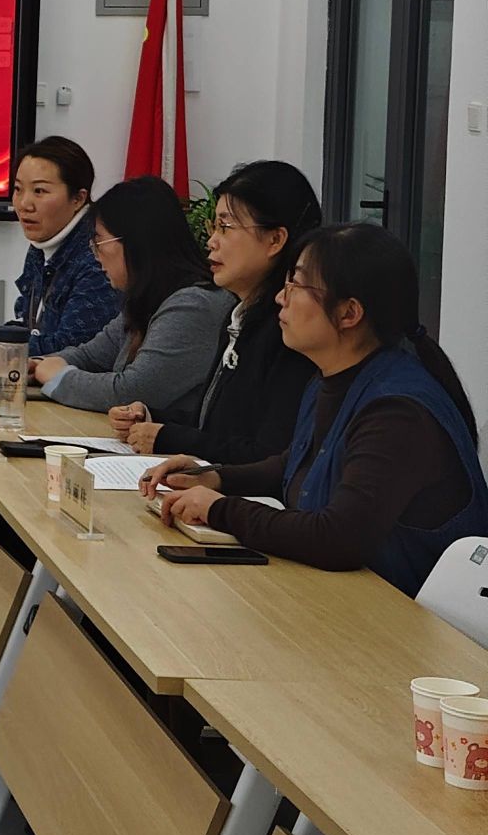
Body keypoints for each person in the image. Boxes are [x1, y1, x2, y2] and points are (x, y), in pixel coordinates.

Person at [142, 224, 487, 596]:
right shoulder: (332, 378)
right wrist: (213, 477)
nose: (280, 297)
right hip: (340, 594)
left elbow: (338, 538)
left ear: (349, 313)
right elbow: (297, 464)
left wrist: (219, 509)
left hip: (401, 615)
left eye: (297, 285)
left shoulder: (397, 412)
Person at [108, 160, 321, 465]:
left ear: (275, 240)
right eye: (213, 227)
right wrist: (150, 417)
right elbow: (214, 424)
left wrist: (167, 437)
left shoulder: (290, 330)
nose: (211, 242)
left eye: (226, 227)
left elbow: (268, 455)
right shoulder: (240, 313)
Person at [29, 175, 232, 424]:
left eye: (99, 242)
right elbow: (91, 356)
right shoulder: (147, 298)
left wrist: (59, 377)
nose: (95, 255)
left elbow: (131, 391)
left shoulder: (194, 306)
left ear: (135, 242)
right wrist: (37, 366)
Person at [0, 137, 120, 359]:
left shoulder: (97, 255)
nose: (24, 204)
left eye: (39, 191)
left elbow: (73, 348)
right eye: (18, 189)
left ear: (78, 198)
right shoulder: (42, 245)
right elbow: (31, 326)